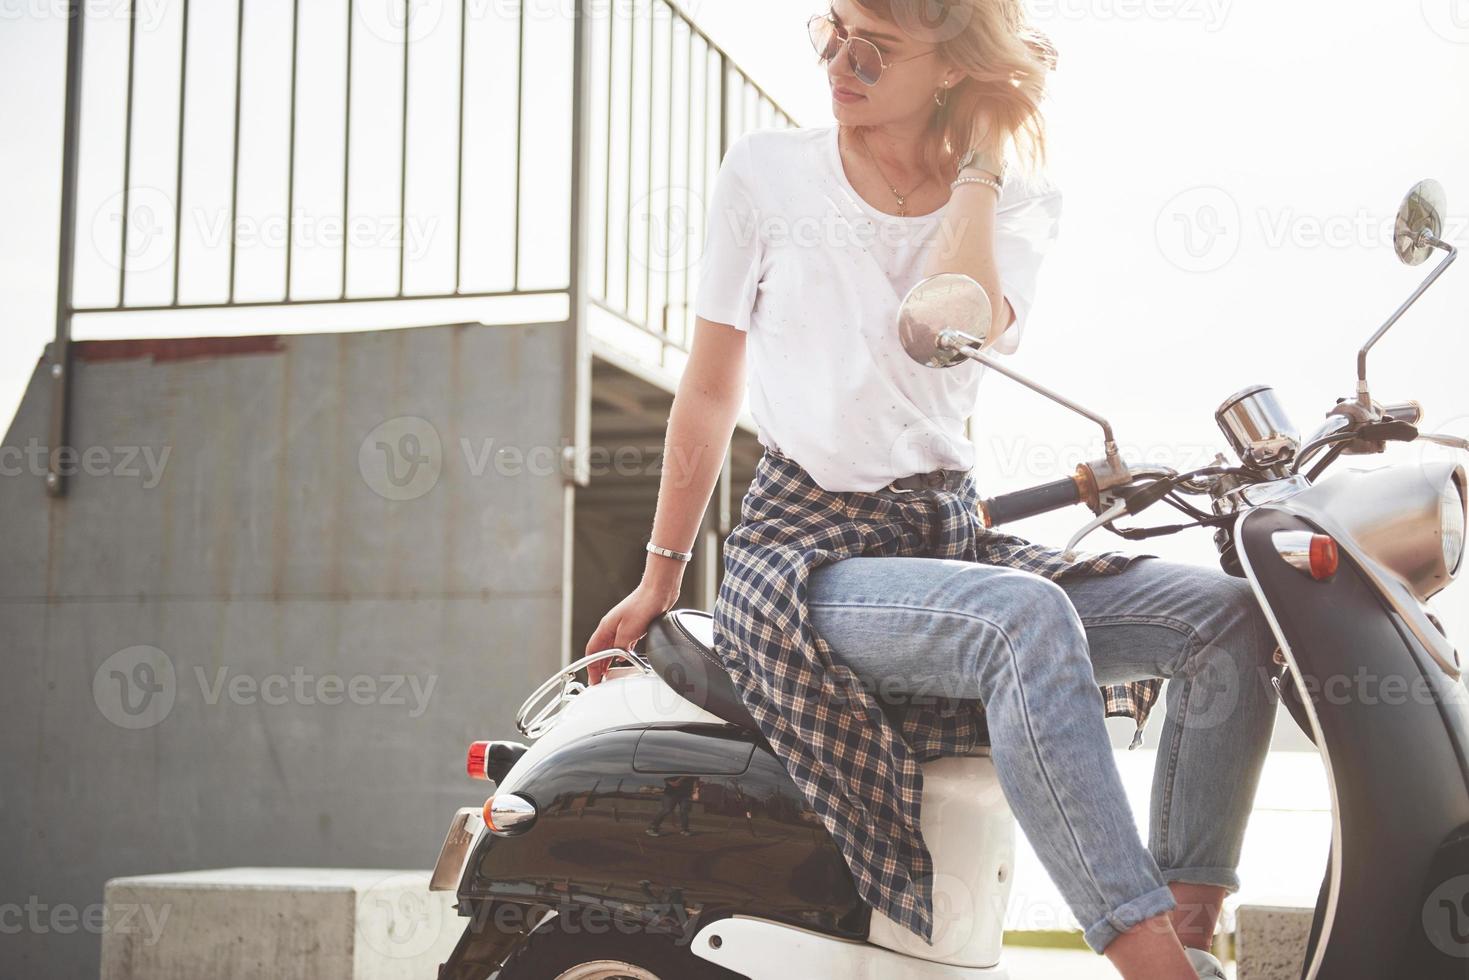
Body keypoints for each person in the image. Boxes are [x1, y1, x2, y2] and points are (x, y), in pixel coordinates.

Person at [587, 2, 1278, 977]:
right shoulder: (766, 175)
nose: (838, 61)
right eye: (828, 29)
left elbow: (953, 313)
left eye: (872, 49)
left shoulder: (1013, 201)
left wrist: (982, 167)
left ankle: (1190, 937)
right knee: (1023, 622)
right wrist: (661, 572)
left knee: (1227, 620)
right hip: (803, 556)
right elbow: (706, 392)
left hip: (945, 542)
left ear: (951, 68)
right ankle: (1150, 963)